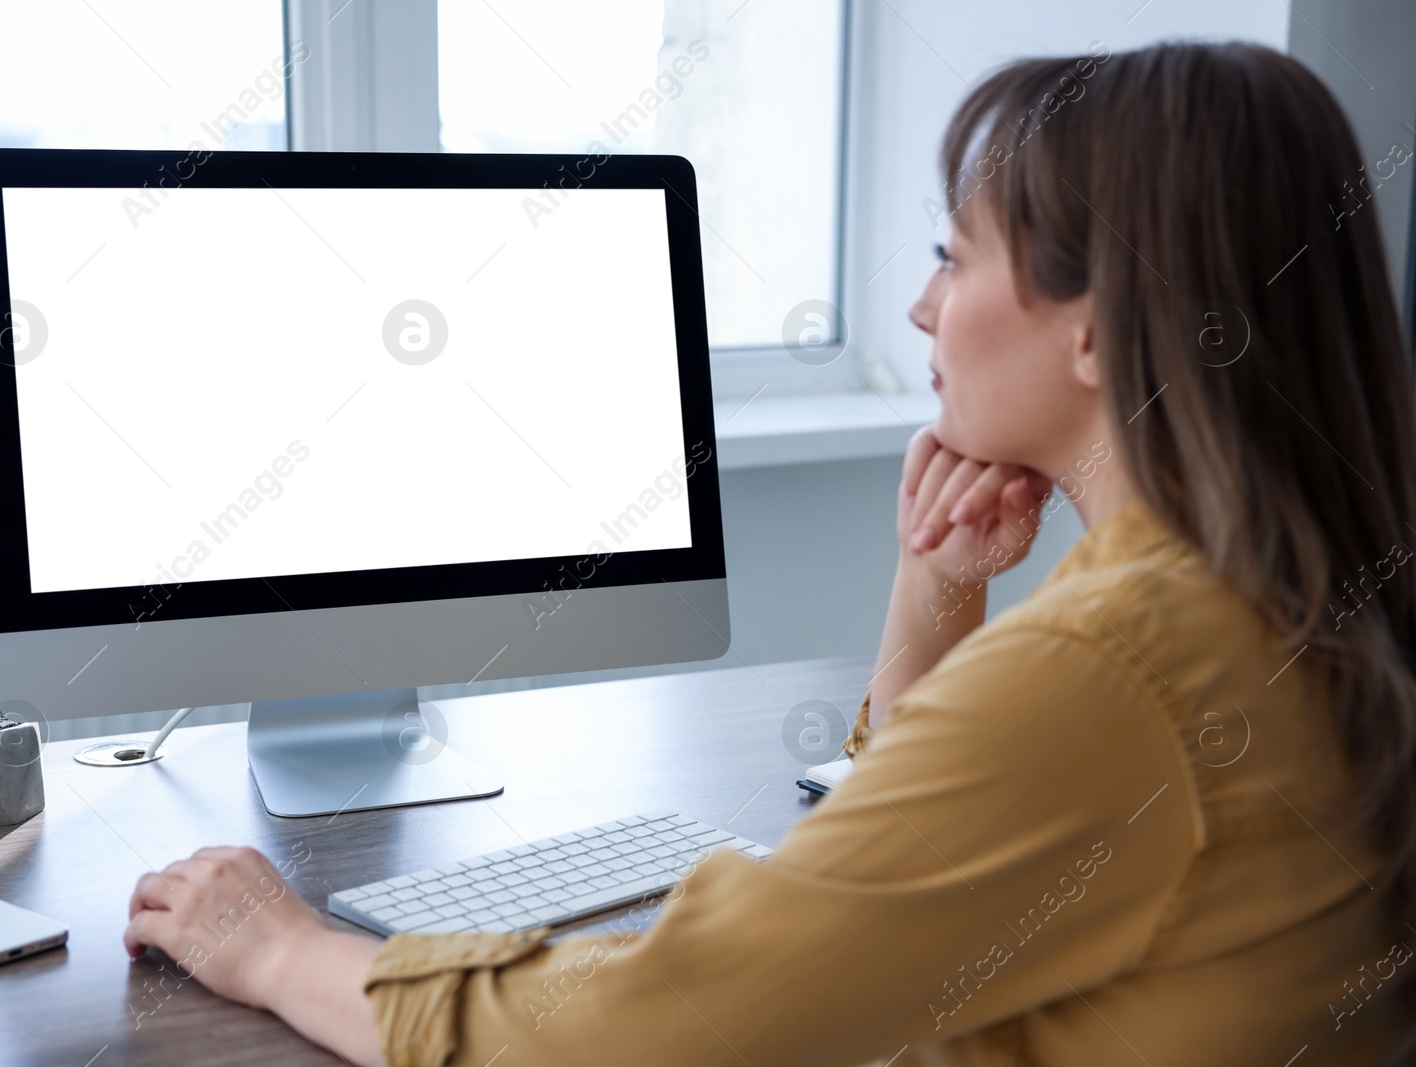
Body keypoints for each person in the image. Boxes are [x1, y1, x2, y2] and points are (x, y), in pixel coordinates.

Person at [121, 41, 1416, 1066]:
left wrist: (281, 951)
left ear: (1102, 328)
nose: (919, 306)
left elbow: (664, 1030)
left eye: (953, 256)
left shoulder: (1118, 668)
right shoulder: (1267, 600)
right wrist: (936, 597)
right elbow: (919, 903)